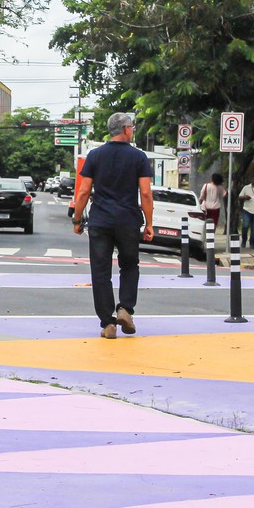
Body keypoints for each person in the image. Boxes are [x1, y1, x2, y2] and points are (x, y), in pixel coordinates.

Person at [71, 112, 153, 339]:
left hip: (100, 222)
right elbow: (145, 193)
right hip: (128, 221)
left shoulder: (95, 155)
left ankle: (108, 323)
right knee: (129, 266)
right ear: (126, 129)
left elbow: (84, 191)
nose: (133, 130)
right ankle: (125, 308)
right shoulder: (138, 157)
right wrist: (149, 224)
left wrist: (77, 219)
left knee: (100, 272)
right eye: (132, 127)